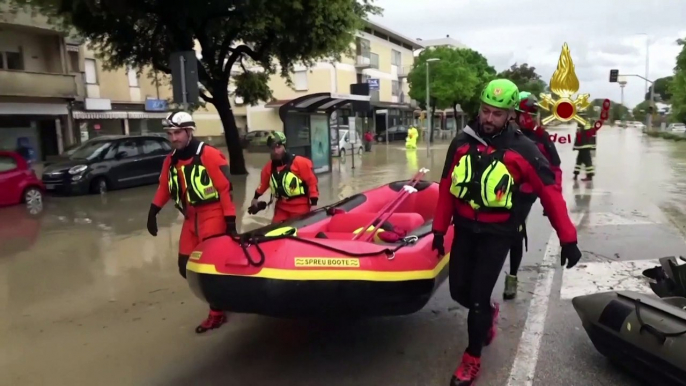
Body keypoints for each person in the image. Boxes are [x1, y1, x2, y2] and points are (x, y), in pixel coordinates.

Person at [431, 79, 582, 386]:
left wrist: (568, 239)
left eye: (497, 114)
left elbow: (550, 193)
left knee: (475, 298)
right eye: (485, 111)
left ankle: (471, 358)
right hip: (465, 228)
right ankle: (489, 312)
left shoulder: (523, 148)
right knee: (459, 291)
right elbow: (447, 186)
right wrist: (437, 229)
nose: (488, 119)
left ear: (510, 115)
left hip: (498, 232)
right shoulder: (461, 142)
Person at [146, 111, 237, 334]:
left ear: (188, 132)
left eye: (177, 132)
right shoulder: (171, 160)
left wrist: (230, 221)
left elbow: (225, 189)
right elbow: (165, 188)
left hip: (213, 214)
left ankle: (217, 313)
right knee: (185, 267)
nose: (173, 138)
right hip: (191, 217)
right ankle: (224, 296)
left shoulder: (209, 155)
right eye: (169, 133)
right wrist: (153, 212)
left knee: (208, 268)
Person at [503, 91, 563, 300]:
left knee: (515, 231)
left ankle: (512, 276)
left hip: (525, 193)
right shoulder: (504, 133)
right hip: (498, 191)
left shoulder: (541, 136)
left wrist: (551, 201)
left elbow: (555, 167)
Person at [250, 131, 319, 223]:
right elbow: (262, 185)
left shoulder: (300, 163)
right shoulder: (268, 168)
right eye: (273, 148)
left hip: (300, 206)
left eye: (278, 147)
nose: (276, 151)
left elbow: (312, 183)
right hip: (281, 207)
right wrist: (255, 199)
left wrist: (314, 204)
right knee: (274, 231)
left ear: (284, 146)